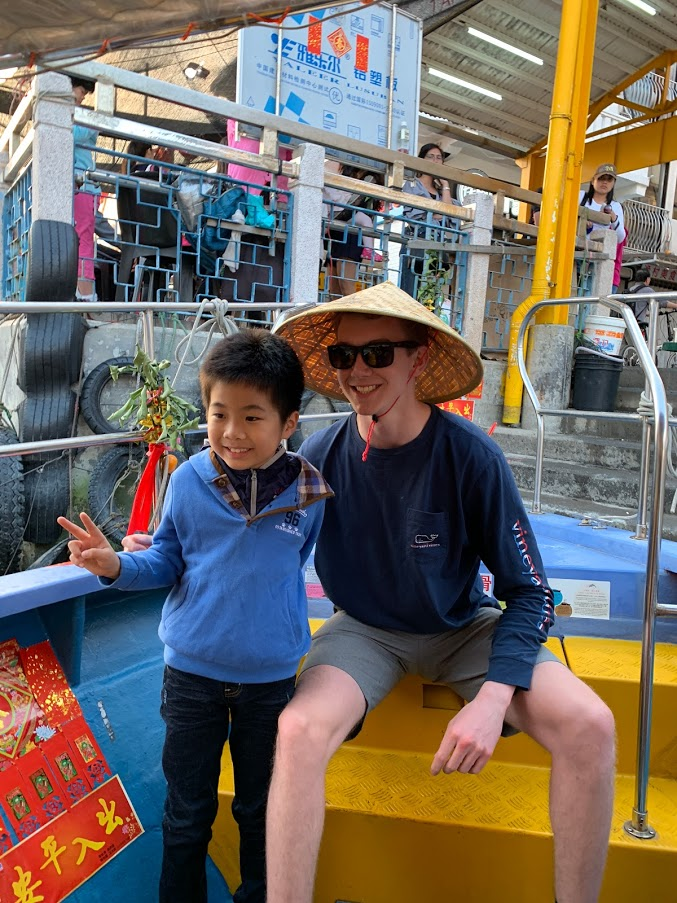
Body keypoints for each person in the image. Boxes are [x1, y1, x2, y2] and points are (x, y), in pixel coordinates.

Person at [263, 282, 616, 903]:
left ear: (418, 358)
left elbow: (530, 592)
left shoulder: (471, 456)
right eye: (344, 357)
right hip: (364, 630)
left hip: (461, 628)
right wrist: (155, 551)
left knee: (592, 724)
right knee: (296, 733)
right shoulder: (319, 455)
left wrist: (493, 697)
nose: (358, 372)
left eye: (378, 354)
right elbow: (261, 544)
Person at [57, 329, 333, 903]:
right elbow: (164, 560)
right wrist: (113, 566)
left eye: (253, 416)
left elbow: (295, 565)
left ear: (288, 425)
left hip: (270, 685)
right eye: (219, 413)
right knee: (187, 815)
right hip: (191, 680)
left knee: (262, 815)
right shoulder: (187, 481)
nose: (232, 432)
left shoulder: (310, 495)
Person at [400, 143, 457, 299]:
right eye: (430, 157)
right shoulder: (411, 184)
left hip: (438, 247)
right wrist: (438, 214)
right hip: (416, 244)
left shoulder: (441, 191)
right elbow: (414, 216)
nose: (435, 161)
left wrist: (445, 185)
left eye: (439, 158)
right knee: (410, 294)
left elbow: (448, 214)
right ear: (422, 159)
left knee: (432, 296)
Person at [323, 161, 383, 298]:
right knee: (334, 290)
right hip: (338, 231)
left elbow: (356, 204)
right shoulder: (346, 173)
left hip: (351, 235)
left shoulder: (370, 179)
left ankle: (348, 318)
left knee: (346, 288)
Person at [71, 76, 100, 302]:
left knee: (81, 238)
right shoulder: (80, 118)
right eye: (81, 90)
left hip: (81, 185)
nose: (82, 96)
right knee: (81, 239)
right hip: (79, 185)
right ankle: (84, 294)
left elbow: (74, 135)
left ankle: (85, 293)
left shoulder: (84, 119)